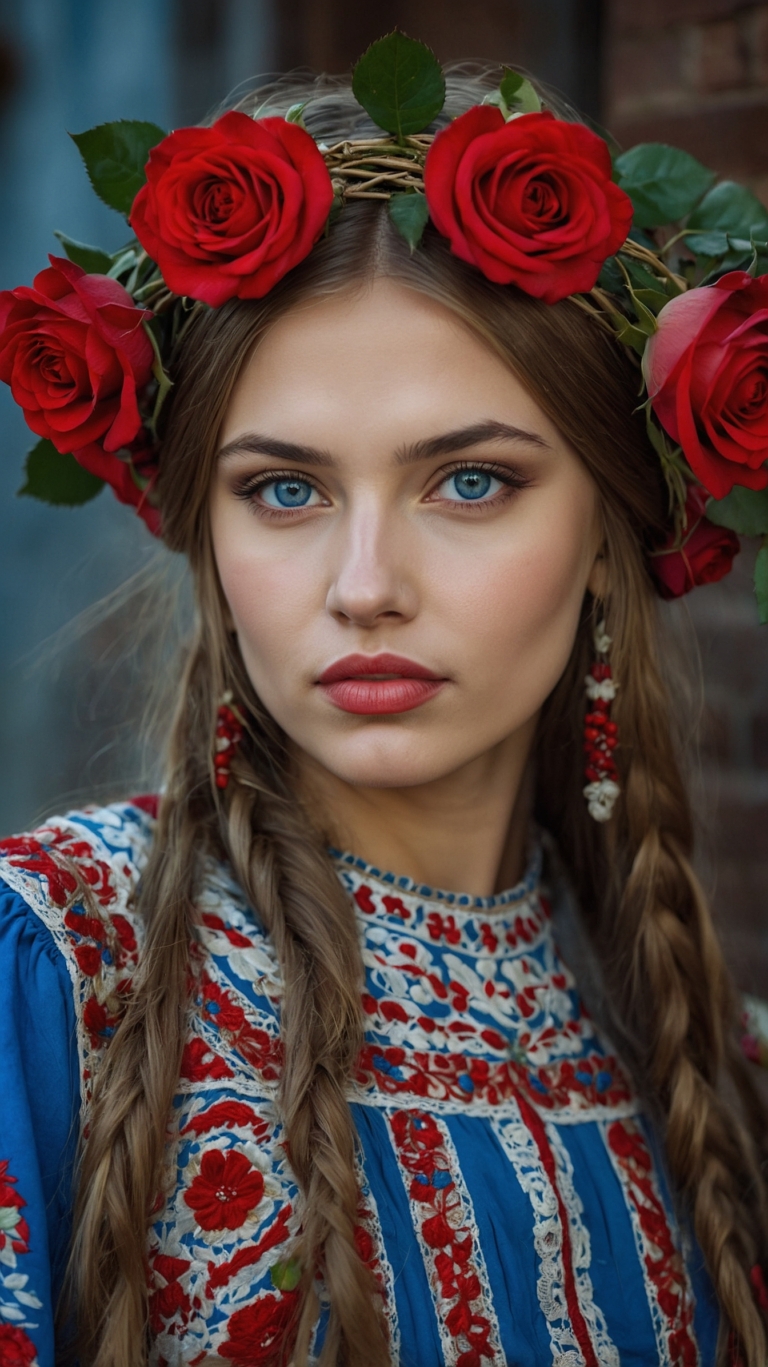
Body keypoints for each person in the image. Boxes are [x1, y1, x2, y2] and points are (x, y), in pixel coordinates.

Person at [0, 38, 767, 1367]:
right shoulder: (54, 969)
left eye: (471, 482)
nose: (365, 588)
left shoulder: (717, 1069)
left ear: (609, 531)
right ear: (206, 535)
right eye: (284, 489)